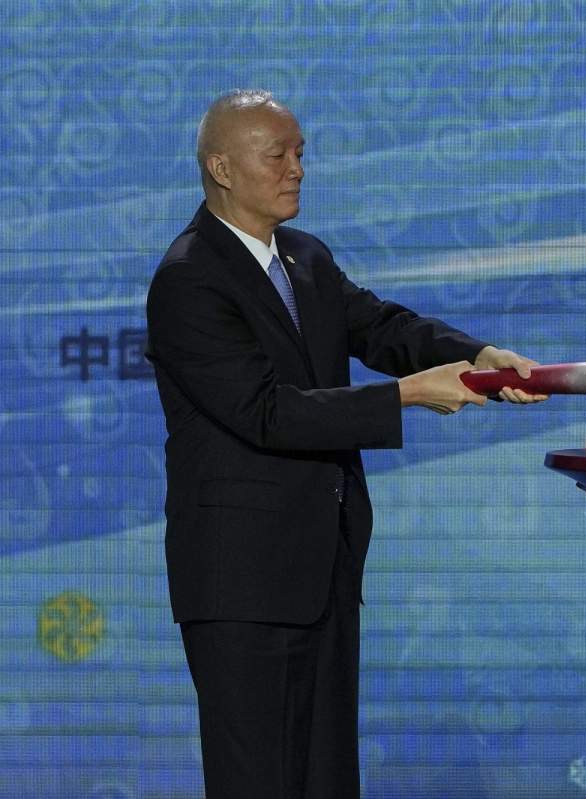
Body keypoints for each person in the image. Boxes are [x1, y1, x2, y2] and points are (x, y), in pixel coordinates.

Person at [144, 88, 545, 798]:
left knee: (328, 779)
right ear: (222, 168)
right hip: (240, 584)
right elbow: (267, 413)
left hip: (323, 568)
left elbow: (382, 327)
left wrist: (477, 354)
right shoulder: (188, 280)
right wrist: (409, 395)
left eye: (301, 153)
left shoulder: (305, 258)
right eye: (278, 155)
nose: (297, 168)